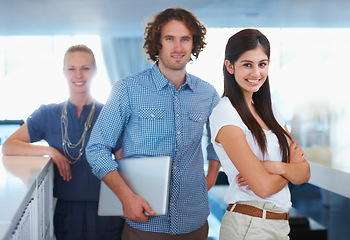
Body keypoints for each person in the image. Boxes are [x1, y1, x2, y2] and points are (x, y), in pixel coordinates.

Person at [86, 7, 221, 240]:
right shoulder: (127, 89)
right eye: (170, 39)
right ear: (157, 43)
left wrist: (211, 176)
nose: (178, 48)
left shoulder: (207, 93)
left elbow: (219, 142)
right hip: (146, 223)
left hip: (195, 221)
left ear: (193, 44)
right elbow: (96, 149)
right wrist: (125, 197)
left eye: (185, 39)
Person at [2, 45, 124, 240]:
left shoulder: (109, 114)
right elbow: (9, 146)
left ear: (95, 71)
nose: (78, 75)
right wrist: (49, 151)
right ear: (63, 72)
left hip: (107, 211)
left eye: (85, 68)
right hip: (66, 213)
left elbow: (124, 163)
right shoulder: (47, 114)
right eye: (71, 68)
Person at [209, 29, 311, 240]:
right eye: (247, 64)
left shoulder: (271, 110)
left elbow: (305, 173)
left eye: (262, 64)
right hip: (250, 224)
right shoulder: (225, 112)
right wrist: (290, 168)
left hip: (278, 224)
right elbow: (263, 188)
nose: (256, 73)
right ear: (230, 66)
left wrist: (276, 167)